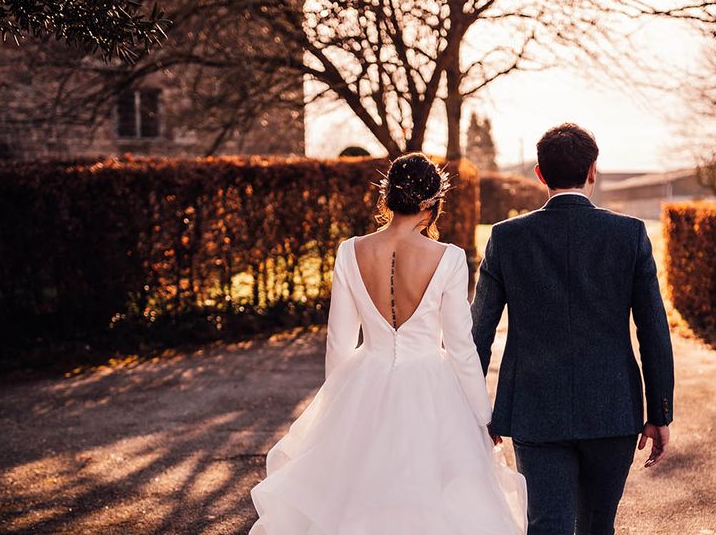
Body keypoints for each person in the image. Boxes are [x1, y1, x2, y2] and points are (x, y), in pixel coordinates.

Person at [249, 152, 527, 535]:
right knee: (437, 502)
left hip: (366, 379)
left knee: (356, 502)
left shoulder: (351, 251)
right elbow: (462, 348)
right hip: (432, 386)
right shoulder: (448, 258)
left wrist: (336, 409)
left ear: (388, 197)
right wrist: (482, 417)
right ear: (431, 203)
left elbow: (339, 341)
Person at [472, 123, 675, 535]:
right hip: (613, 409)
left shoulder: (506, 238)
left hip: (534, 410)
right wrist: (660, 411)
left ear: (540, 174)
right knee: (599, 526)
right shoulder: (629, 235)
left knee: (546, 527)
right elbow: (653, 328)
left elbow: (478, 332)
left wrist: (475, 411)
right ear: (593, 171)